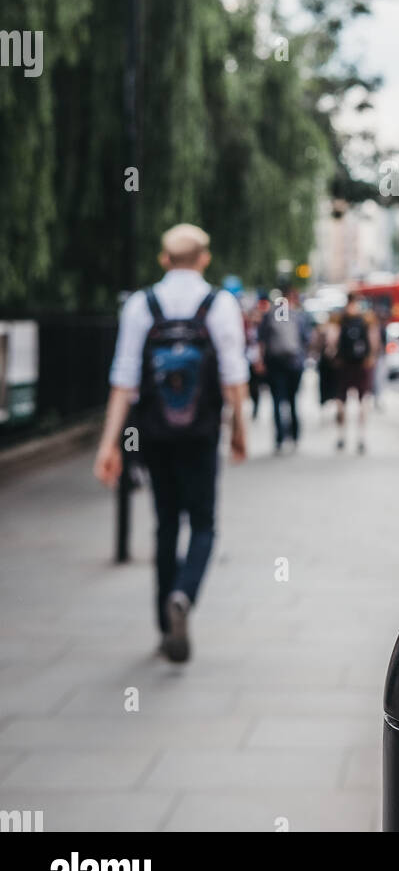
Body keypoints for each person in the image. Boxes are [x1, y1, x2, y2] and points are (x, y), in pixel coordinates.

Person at [94, 223, 248, 663]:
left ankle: (165, 626)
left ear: (164, 259)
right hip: (201, 433)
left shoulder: (142, 305)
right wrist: (239, 430)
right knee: (203, 524)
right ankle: (184, 594)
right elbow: (234, 378)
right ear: (204, 258)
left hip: (155, 432)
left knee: (165, 524)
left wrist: (109, 445)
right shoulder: (219, 305)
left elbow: (123, 380)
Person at [259, 287, 311, 452]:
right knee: (293, 400)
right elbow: (305, 340)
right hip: (293, 363)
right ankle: (294, 436)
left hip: (274, 362)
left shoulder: (270, 315)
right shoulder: (298, 316)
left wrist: (261, 361)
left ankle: (279, 437)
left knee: (276, 401)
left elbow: (262, 340)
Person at [334, 293, 379, 454]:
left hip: (349, 364)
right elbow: (373, 341)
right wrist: (371, 357)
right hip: (358, 365)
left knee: (348, 402)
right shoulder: (365, 320)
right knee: (356, 402)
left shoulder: (342, 320)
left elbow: (333, 341)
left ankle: (346, 437)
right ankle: (357, 437)